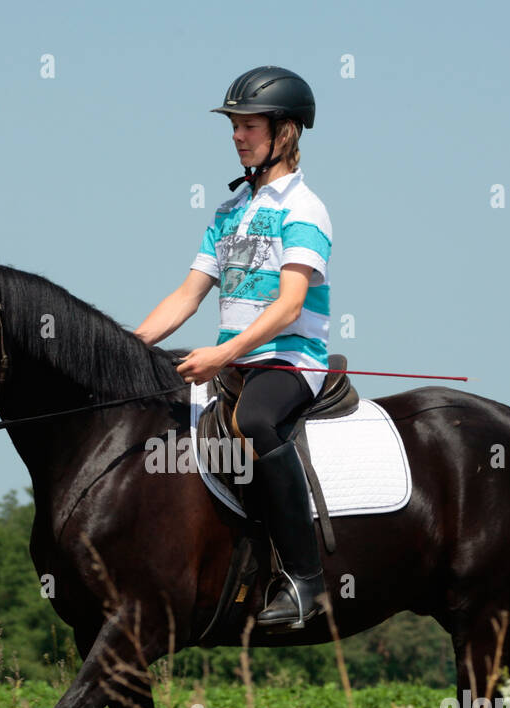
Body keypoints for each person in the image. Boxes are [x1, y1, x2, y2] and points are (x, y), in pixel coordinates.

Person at [135, 66, 333, 631]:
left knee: (257, 421)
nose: (237, 136)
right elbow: (186, 297)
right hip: (235, 362)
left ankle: (304, 583)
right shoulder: (227, 215)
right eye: (235, 126)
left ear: (285, 133)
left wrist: (222, 356)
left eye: (248, 125)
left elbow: (290, 305)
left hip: (289, 362)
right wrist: (125, 348)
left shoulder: (305, 208)